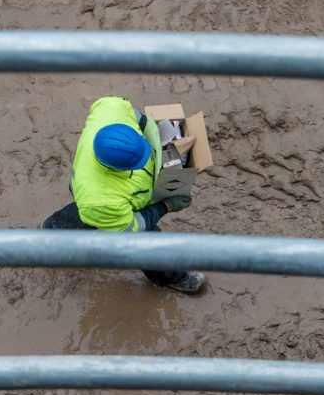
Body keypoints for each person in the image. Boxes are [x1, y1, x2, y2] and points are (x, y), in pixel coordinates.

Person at [42, 96, 206, 294]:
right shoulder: (102, 200)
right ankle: (171, 276)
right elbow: (130, 227)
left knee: (86, 214)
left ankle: (53, 230)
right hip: (98, 198)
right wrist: (166, 206)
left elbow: (135, 115)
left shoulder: (112, 108)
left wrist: (153, 129)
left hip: (89, 192)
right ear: (116, 169)